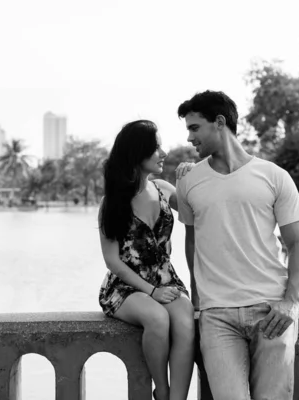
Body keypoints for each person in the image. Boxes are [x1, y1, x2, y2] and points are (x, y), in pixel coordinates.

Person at [175, 90, 299, 400]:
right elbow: (191, 243)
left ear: (219, 122)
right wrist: (198, 305)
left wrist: (291, 301)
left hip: (273, 311)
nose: (189, 138)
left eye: (194, 128)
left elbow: (298, 243)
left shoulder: (274, 176)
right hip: (217, 317)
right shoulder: (189, 182)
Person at [98, 120, 195, 400]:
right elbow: (112, 261)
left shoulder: (164, 189)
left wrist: (192, 177)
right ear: (137, 153)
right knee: (157, 317)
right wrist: (152, 291)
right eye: (156, 148)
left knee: (185, 320)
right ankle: (162, 392)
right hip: (125, 287)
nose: (163, 153)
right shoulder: (113, 201)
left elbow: (197, 208)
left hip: (166, 280)